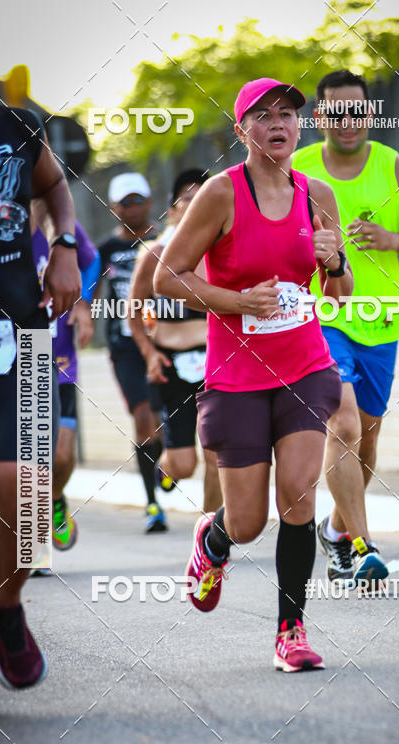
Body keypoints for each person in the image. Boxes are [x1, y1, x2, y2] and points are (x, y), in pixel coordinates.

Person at [155, 78, 353, 672]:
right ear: (242, 130)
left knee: (297, 498)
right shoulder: (220, 194)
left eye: (288, 114)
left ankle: (290, 631)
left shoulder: (317, 193)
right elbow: (169, 278)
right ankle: (212, 541)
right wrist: (239, 302)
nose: (279, 124)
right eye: (263, 116)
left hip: (305, 370)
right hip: (236, 378)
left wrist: (335, 260)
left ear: (300, 125)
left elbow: (339, 295)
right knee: (248, 522)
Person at [0, 4, 81, 719]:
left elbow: (54, 184)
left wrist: (63, 246)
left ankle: (5, 604)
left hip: (16, 340)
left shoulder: (14, 127)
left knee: (25, 491)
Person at [292, 70, 399, 584]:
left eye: (357, 110)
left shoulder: (396, 168)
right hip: (322, 316)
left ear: (370, 113)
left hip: (379, 323)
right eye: (336, 111)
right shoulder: (298, 169)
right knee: (343, 425)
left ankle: (336, 531)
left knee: (367, 442)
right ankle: (364, 545)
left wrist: (393, 240)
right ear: (320, 117)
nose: (347, 120)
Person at [128, 168, 222, 512]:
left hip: (214, 362)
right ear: (173, 210)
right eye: (187, 199)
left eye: (202, 199)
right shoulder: (154, 253)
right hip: (170, 364)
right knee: (185, 464)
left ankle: (211, 534)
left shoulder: (223, 251)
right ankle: (166, 468)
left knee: (216, 454)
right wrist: (149, 353)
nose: (195, 205)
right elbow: (134, 310)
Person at [97, 173, 166, 533]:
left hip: (166, 340)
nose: (133, 207)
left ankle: (169, 456)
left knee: (163, 417)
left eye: (139, 200)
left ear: (150, 202)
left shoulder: (165, 241)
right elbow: (88, 296)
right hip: (125, 346)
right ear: (113, 207)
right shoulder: (105, 250)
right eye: (126, 202)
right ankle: (152, 503)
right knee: (143, 418)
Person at [32, 218, 100, 563]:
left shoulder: (63, 223)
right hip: (16, 358)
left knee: (60, 456)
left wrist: (84, 303)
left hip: (59, 360)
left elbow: (92, 260)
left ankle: (55, 497)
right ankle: (37, 548)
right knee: (28, 463)